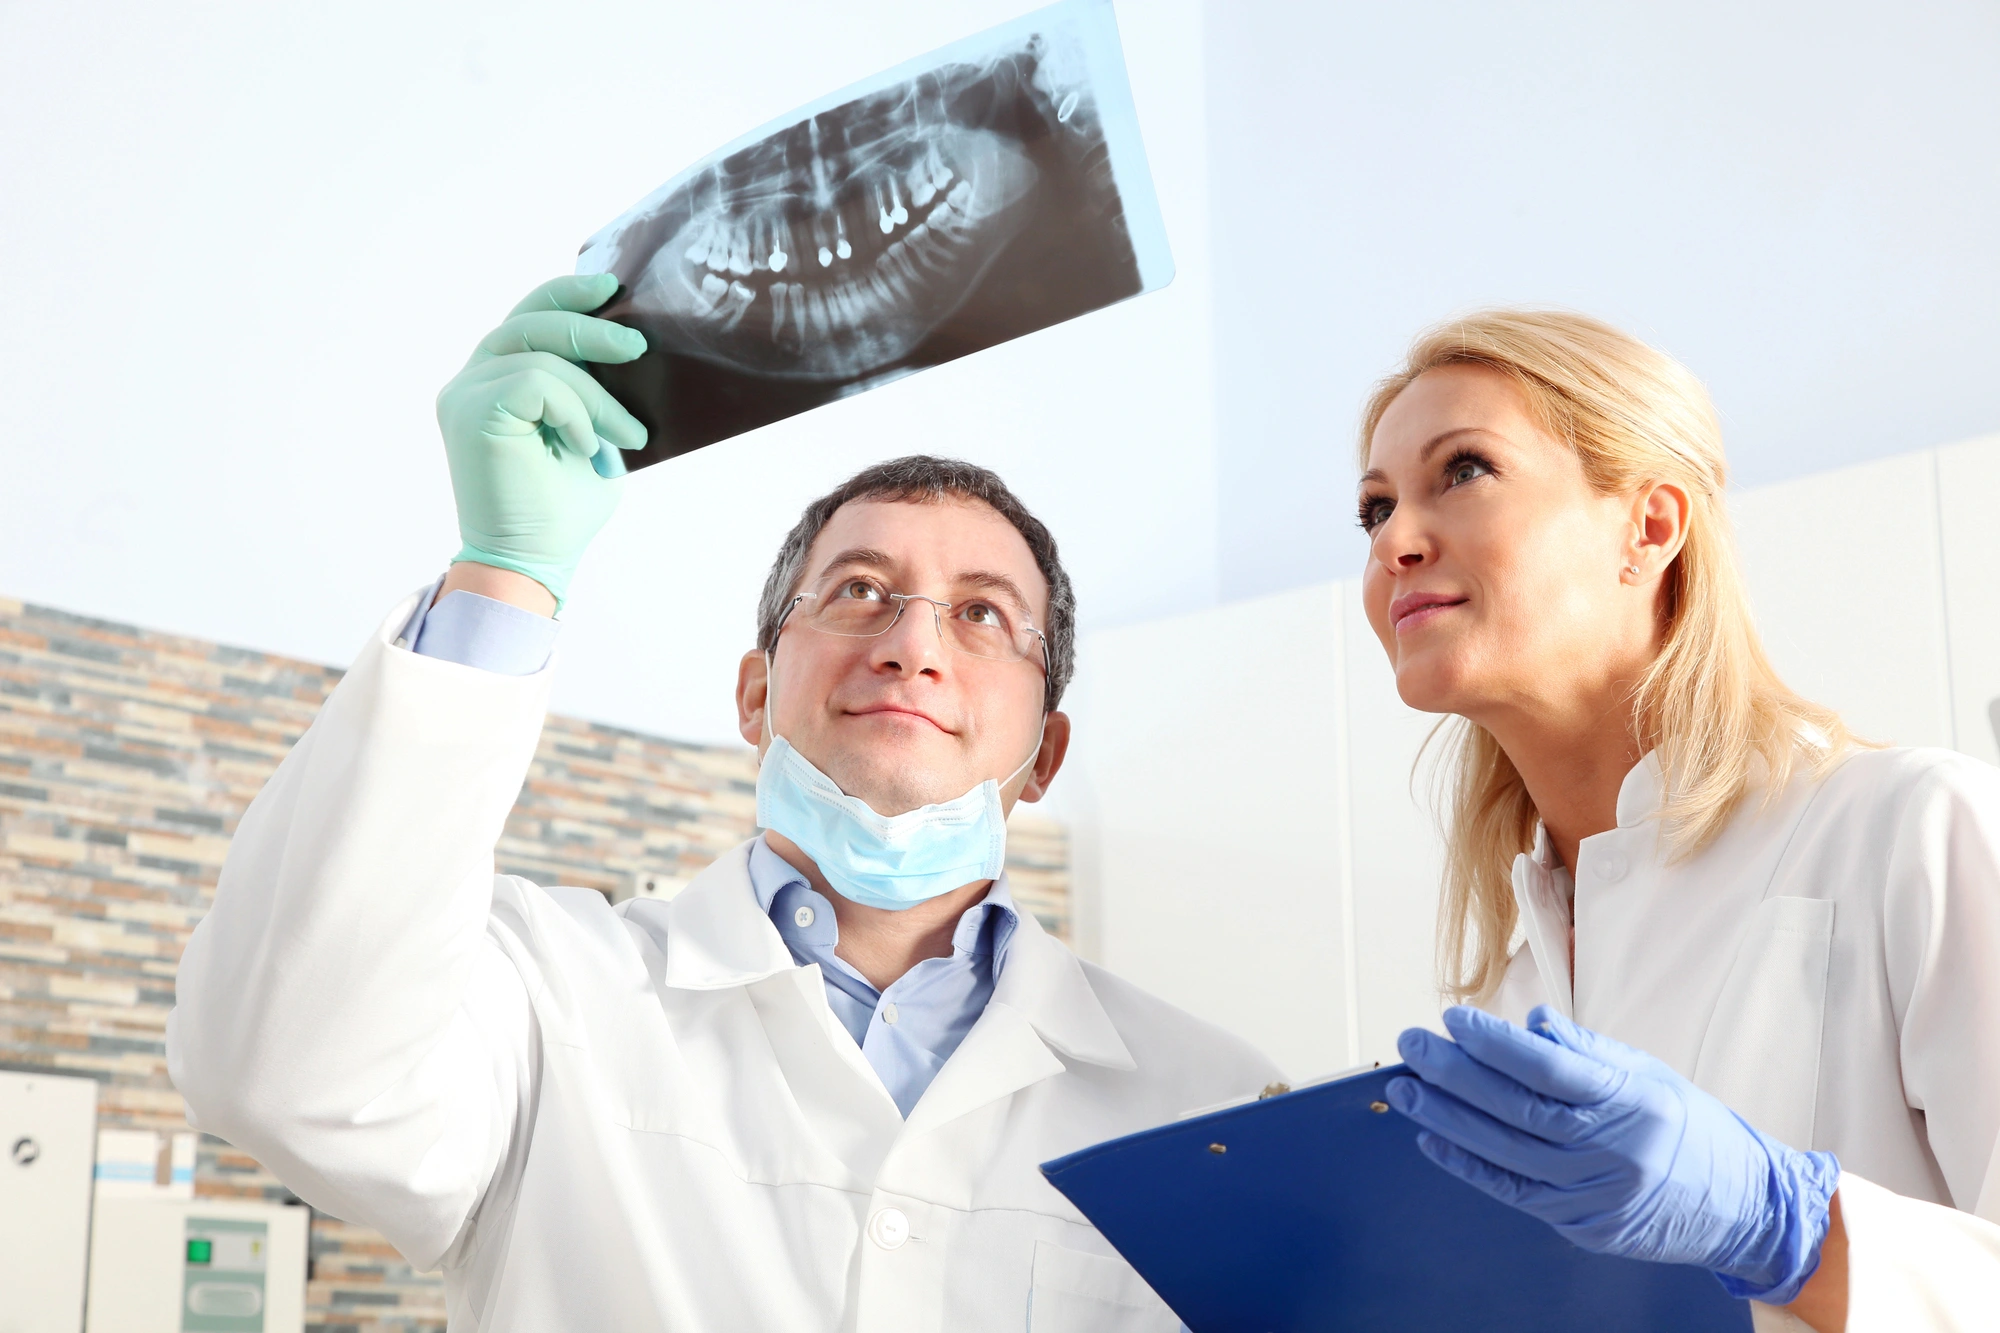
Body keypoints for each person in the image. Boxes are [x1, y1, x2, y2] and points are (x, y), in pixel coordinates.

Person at [166, 273, 1277, 1332]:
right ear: (754, 694)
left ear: (1045, 754)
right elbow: (281, 1068)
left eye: (982, 615)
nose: (911, 645)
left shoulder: (1212, 1110)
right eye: (857, 592)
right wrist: (505, 569)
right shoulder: (544, 1001)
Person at [1353, 309, 2000, 1331]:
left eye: (1462, 470)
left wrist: (1780, 1228)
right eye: (1373, 509)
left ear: (1648, 527)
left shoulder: (1914, 830)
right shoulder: (1508, 983)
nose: (1394, 538)